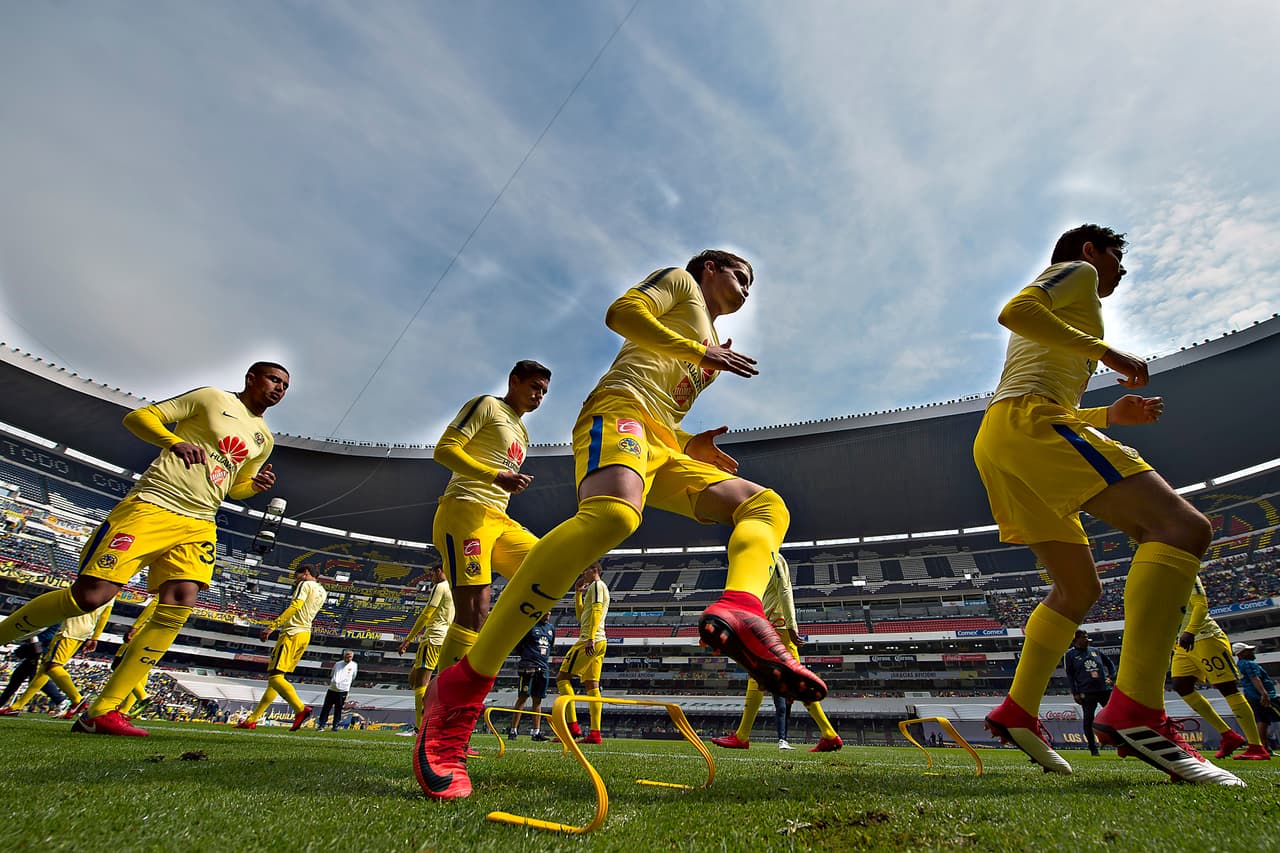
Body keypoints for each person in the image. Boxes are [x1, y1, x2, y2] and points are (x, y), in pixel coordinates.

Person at [415, 250, 825, 800]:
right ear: (707, 269)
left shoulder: (709, 345)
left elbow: (666, 401)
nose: (747, 289)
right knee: (612, 515)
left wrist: (689, 442)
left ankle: (742, 607)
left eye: (752, 282)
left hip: (660, 439)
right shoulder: (680, 284)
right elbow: (621, 314)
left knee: (766, 506)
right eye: (739, 275)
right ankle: (460, 691)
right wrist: (697, 349)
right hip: (619, 412)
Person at [973, 224, 1241, 785]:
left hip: (1007, 435)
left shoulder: (1072, 304)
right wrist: (1108, 352)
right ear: (1092, 252)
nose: (1120, 270)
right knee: (1180, 527)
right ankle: (1139, 708)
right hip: (1030, 424)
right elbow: (1014, 311)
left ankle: (1020, 709)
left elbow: (1036, 372)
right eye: (1117, 257)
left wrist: (1109, 417)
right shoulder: (1081, 274)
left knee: (1079, 590)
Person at [0, 362, 287, 736]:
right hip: (153, 504)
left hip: (200, 521)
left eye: (284, 384)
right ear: (251, 378)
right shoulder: (210, 398)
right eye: (273, 379)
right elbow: (139, 417)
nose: (279, 388)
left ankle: (103, 710)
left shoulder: (264, 437)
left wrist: (254, 486)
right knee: (90, 597)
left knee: (181, 600)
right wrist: (175, 441)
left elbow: (235, 487)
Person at [429, 360, 550, 670]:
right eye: (535, 387)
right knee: (473, 611)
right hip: (466, 509)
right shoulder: (487, 405)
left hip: (498, 518)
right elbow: (444, 450)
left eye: (544, 392)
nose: (539, 395)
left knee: (549, 565)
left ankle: (494, 648)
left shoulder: (522, 431)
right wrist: (496, 476)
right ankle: (439, 710)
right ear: (514, 381)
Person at [712, 555, 842, 752]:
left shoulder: (772, 557)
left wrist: (791, 625)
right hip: (770, 625)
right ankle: (829, 734)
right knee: (776, 679)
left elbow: (785, 590)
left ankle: (742, 736)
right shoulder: (760, 559)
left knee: (767, 678)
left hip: (776, 627)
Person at [1170, 577, 1269, 760]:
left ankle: (1256, 746)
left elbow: (1200, 604)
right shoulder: (1162, 582)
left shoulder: (1186, 572)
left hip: (1205, 636)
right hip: (1182, 644)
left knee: (1227, 688)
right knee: (1181, 686)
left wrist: (1190, 631)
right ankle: (1228, 735)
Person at [237, 564, 327, 732]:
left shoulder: (305, 585)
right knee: (276, 678)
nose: (295, 580)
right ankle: (252, 719)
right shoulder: (322, 591)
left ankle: (300, 709)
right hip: (305, 634)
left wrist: (272, 627)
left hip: (292, 633)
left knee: (275, 678)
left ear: (306, 573)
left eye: (297, 576)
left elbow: (295, 606)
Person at [6, 601, 114, 718]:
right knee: (44, 669)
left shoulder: (94, 584)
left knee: (52, 666)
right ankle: (17, 706)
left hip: (69, 630)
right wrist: (95, 637)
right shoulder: (111, 593)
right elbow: (105, 615)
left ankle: (77, 699)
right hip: (83, 631)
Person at [556, 562, 610, 743]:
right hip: (601, 640)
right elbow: (581, 616)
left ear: (594, 571)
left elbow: (595, 611)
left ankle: (572, 728)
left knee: (562, 678)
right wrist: (578, 594)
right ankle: (595, 733)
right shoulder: (597, 589)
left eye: (585, 570)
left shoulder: (596, 586)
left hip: (590, 639)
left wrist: (590, 637)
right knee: (591, 686)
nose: (582, 573)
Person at [398, 566, 454, 731]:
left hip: (432, 638)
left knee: (422, 682)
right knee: (414, 679)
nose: (431, 578)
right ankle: (431, 722)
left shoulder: (441, 586)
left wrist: (408, 639)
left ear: (439, 571)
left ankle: (420, 728)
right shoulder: (453, 589)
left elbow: (426, 613)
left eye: (432, 574)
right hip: (444, 639)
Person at [1063, 630, 1114, 756]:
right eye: (1084, 637)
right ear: (1076, 640)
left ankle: (1120, 743)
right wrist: (1075, 693)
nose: (1087, 639)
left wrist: (1111, 677)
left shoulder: (1095, 651)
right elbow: (1070, 676)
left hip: (1104, 690)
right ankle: (1093, 749)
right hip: (1087, 692)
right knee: (1088, 720)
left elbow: (1110, 664)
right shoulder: (1070, 655)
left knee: (1114, 717)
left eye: (1087, 637)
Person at [509, 611, 554, 741]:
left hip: (543, 667)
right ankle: (513, 730)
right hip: (528, 667)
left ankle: (536, 732)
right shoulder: (530, 626)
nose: (549, 613)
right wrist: (526, 658)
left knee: (538, 699)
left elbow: (551, 646)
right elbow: (518, 645)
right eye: (546, 611)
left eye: (550, 611)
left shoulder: (551, 629)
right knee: (522, 697)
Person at [113, 596, 160, 717]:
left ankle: (143, 697)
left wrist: (135, 627)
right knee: (141, 670)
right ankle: (125, 710)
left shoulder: (166, 591)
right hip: (159, 637)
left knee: (118, 665)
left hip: (143, 633)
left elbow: (151, 607)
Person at [0, 626, 65, 712]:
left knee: (35, 678)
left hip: (40, 649)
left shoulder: (51, 619)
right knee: (17, 677)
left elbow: (36, 630)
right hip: (37, 648)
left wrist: (13, 639)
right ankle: (2, 703)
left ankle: (60, 700)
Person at [1234, 642, 1278, 752]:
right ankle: (1264, 747)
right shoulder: (1249, 664)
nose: (1253, 652)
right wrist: (1264, 693)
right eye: (1249, 651)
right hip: (1260, 695)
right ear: (1242, 653)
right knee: (1266, 718)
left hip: (1251, 695)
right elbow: (1255, 678)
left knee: (1262, 720)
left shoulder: (1240, 664)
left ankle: (1264, 748)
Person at [316, 650, 358, 732]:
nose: (348, 658)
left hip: (343, 690)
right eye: (347, 656)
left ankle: (335, 726)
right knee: (326, 708)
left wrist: (345, 684)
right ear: (344, 656)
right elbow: (332, 673)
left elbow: (353, 676)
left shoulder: (354, 665)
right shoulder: (338, 664)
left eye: (350, 657)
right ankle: (321, 725)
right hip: (332, 689)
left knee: (338, 709)